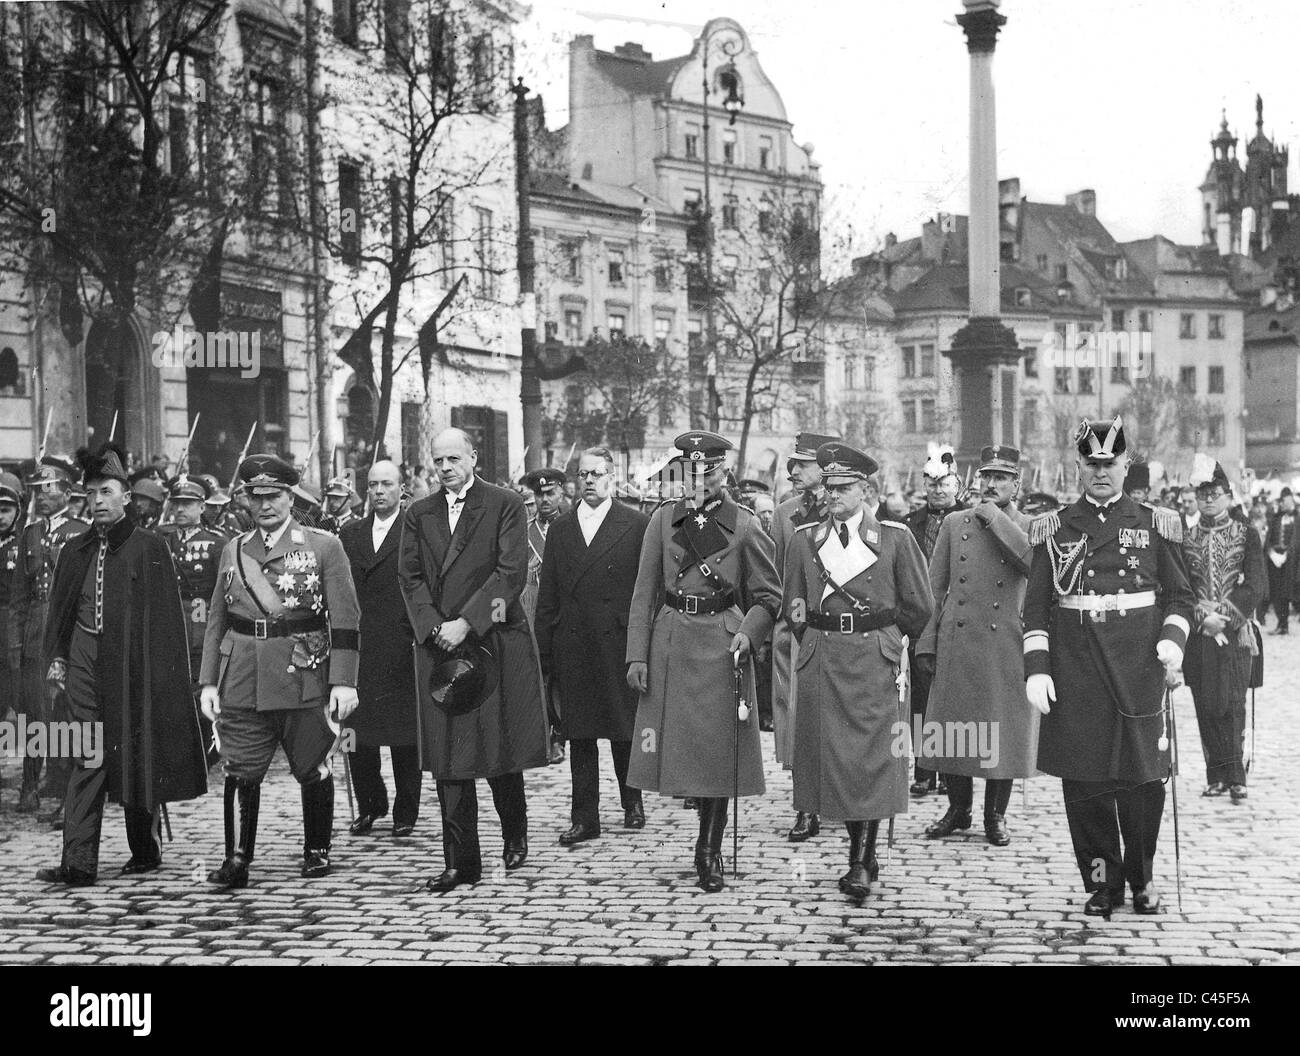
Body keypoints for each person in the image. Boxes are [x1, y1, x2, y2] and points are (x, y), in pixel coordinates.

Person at [1024, 417, 1193, 917]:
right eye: (1092, 464)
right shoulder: (1055, 527)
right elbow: (1035, 609)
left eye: (1110, 464)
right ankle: (1103, 883)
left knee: (1142, 782)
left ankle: (1141, 880)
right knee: (1085, 784)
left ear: (1125, 466)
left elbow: (1181, 596)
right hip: (1077, 671)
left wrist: (1172, 641)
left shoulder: (1152, 523)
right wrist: (1037, 667)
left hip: (1138, 668)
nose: (1101, 473)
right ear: (1078, 466)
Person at [35, 444, 207, 885]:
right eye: (90, 493)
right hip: (84, 662)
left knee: (136, 751)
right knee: (86, 753)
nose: (97, 501)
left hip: (134, 667)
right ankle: (78, 861)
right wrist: (57, 660)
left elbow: (169, 623)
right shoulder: (75, 550)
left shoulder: (149, 547)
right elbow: (60, 613)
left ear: (126, 495)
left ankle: (144, 850)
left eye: (106, 491)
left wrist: (169, 682)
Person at [625, 431, 780, 892]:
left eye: (708, 470)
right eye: (691, 470)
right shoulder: (661, 520)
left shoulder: (746, 525)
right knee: (677, 748)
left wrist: (749, 636)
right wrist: (637, 653)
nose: (699, 478)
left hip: (721, 643)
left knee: (718, 753)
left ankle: (708, 849)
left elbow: (769, 597)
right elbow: (643, 592)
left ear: (724, 472)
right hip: (671, 639)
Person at [397, 428, 550, 892]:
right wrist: (433, 627)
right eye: (438, 461)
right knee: (448, 753)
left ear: (473, 458)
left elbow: (511, 572)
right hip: (439, 645)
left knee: (497, 744)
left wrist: (467, 622)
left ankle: (514, 831)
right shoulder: (419, 513)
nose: (445, 468)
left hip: (493, 639)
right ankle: (460, 862)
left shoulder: (503, 503)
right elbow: (410, 576)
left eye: (453, 459)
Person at [199, 454, 361, 887]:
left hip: (301, 671)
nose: (266, 505)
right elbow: (217, 617)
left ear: (291, 497)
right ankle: (237, 860)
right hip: (242, 677)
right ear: (247, 500)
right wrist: (209, 680)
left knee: (312, 766)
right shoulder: (233, 549)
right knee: (239, 767)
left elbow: (345, 619)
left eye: (274, 496)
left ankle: (317, 850)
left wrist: (344, 681)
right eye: (257, 497)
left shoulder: (324, 545)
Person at [783, 442, 933, 900]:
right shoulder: (805, 539)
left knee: (869, 760)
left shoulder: (894, 538)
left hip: (873, 659)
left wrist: (885, 635)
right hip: (824, 657)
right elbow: (794, 605)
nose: (833, 496)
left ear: (864, 489)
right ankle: (863, 854)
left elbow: (920, 606)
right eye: (829, 487)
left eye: (844, 488)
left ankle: (859, 862)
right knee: (837, 761)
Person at [916, 445, 1036, 846]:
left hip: (1004, 640)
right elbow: (935, 588)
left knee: (1001, 733)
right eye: (985, 477)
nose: (990, 484)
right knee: (953, 729)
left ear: (1016, 484)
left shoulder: (1031, 524)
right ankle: (958, 808)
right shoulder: (954, 522)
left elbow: (1031, 563)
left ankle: (995, 815)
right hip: (958, 637)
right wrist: (928, 641)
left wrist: (993, 517)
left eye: (1000, 478)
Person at [534, 447, 650, 844]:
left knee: (622, 727)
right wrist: (543, 648)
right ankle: (585, 817)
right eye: (582, 474)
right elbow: (548, 591)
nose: (588, 481)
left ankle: (631, 801)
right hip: (574, 643)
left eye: (596, 474)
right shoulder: (562, 529)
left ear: (611, 478)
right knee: (580, 733)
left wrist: (642, 644)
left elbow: (644, 590)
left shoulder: (635, 524)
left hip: (617, 641)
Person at [339, 460, 422, 838]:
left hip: (402, 646)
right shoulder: (350, 533)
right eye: (372, 485)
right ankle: (371, 803)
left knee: (405, 736)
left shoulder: (415, 530)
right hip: (358, 647)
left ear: (401, 490)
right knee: (355, 735)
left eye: (387, 485)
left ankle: (406, 810)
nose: (378, 492)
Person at [1182, 456, 1266, 802]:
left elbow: (1257, 585)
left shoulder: (1247, 534)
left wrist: (1227, 617)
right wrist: (1201, 618)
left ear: (1229, 496)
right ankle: (1214, 775)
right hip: (1200, 634)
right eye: (1203, 495)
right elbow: (1180, 586)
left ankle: (1236, 776)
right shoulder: (1186, 538)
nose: (1209, 500)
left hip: (1236, 632)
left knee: (1231, 702)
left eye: (1215, 494)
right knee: (1204, 702)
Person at [770, 432, 840, 840]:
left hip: (840, 632)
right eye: (793, 463)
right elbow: (780, 575)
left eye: (803, 464)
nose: (793, 470)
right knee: (798, 721)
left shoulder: (848, 508)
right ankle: (806, 807)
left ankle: (837, 796)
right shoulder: (784, 514)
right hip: (798, 631)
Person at [12, 456, 89, 818]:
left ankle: (67, 794)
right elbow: (19, 598)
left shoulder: (82, 531)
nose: (40, 497)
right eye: (36, 491)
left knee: (66, 715)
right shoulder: (30, 533)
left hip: (67, 631)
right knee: (34, 713)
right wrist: (16, 644)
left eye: (47, 490)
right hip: (33, 636)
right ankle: (30, 785)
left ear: (68, 493)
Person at [904, 444, 966, 796]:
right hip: (919, 620)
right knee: (920, 699)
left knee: (954, 696)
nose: (938, 490)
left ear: (957, 485)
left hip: (957, 616)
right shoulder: (909, 524)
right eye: (931, 483)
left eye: (945, 484)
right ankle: (924, 769)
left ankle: (951, 770)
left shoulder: (971, 519)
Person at [159, 473, 228, 767]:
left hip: (201, 619)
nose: (181, 509)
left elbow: (223, 591)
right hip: (169, 619)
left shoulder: (215, 543)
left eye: (188, 504)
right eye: (177, 503)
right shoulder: (161, 538)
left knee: (201, 682)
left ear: (202, 507)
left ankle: (205, 747)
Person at [519, 468, 568, 625]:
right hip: (532, 613)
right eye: (540, 494)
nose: (545, 499)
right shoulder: (523, 531)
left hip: (565, 612)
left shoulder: (574, 529)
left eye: (550, 493)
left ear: (561, 495)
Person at [0, 474, 25, 727]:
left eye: (5, 510)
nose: (0, 516)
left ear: (17, 512)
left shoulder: (21, 544)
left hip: (11, 618)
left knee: (12, 670)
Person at [1265, 488, 1295, 634]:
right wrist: (1272, 554)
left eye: (1285, 500)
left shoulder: (1297, 518)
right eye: (1281, 500)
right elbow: (1269, 540)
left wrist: (1287, 555)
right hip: (1275, 561)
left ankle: (1286, 624)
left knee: (1288, 593)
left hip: (1292, 562)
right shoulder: (1276, 518)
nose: (1282, 503)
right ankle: (1281, 624)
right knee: (1277, 593)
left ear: (1291, 499)